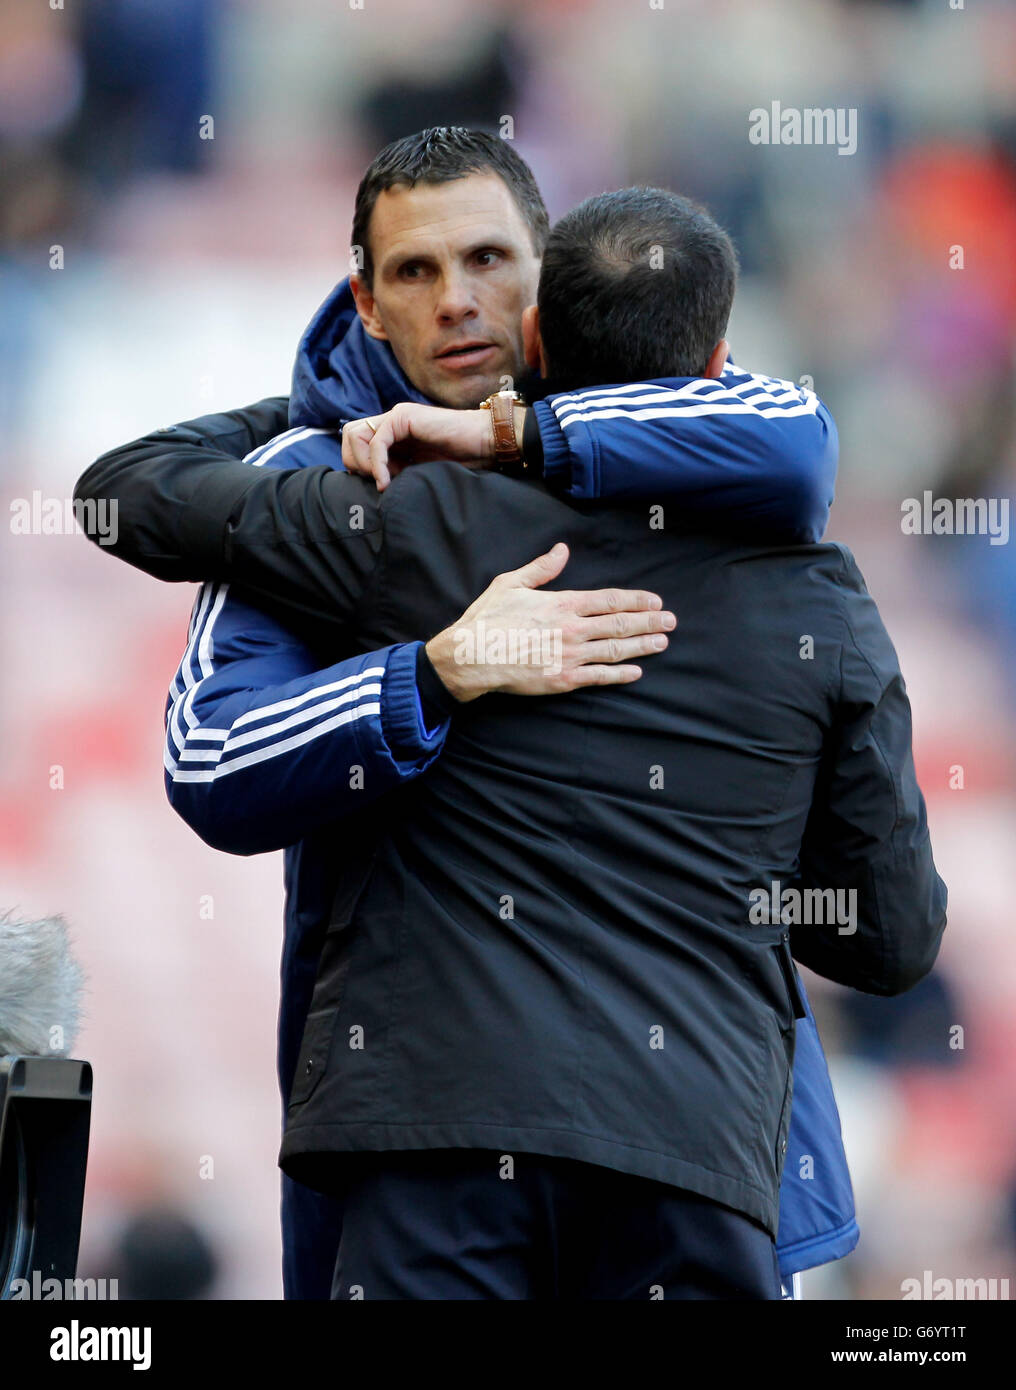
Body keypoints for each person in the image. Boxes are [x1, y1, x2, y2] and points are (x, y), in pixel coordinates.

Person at [74, 135, 868, 1297]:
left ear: (545, 273)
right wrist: (432, 672)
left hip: (706, 1148)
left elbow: (801, 441)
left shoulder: (691, 441)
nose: (455, 301)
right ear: (366, 299)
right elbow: (212, 754)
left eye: (489, 259)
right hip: (438, 1145)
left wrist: (509, 431)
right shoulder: (319, 490)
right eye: (412, 274)